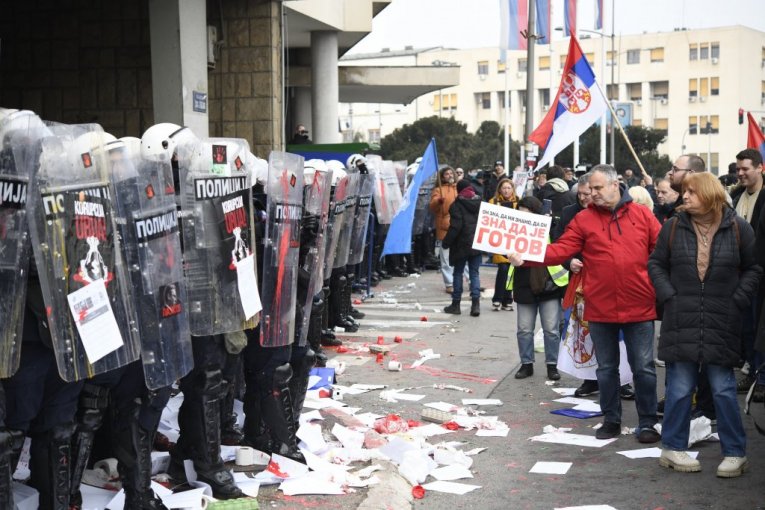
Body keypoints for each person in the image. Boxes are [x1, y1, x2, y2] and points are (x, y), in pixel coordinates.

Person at [508, 164, 661, 443]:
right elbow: (560, 250)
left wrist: (656, 286)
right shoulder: (584, 219)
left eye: (598, 188)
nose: (593, 194)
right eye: (590, 189)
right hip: (600, 307)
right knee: (605, 368)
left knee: (644, 368)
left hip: (639, 306)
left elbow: (660, 253)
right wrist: (526, 256)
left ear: (616, 185)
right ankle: (612, 419)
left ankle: (648, 422)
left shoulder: (642, 215)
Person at [648, 172, 761, 477]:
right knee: (680, 389)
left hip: (721, 318)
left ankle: (735, 453)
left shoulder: (738, 227)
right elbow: (655, 263)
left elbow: (754, 268)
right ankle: (672, 448)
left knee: (723, 388)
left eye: (692, 192)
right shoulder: (673, 226)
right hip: (680, 317)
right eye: (684, 192)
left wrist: (738, 298)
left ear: (710, 195)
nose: (684, 197)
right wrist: (668, 295)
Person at [508, 196, 567, 381]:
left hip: (549, 286)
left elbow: (559, 247)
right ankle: (526, 364)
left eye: (528, 211)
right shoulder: (514, 231)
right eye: (521, 211)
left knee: (551, 329)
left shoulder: (549, 227)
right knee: (524, 329)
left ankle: (552, 366)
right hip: (524, 285)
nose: (524, 215)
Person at [730, 148, 765, 400]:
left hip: (760, 272)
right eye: (738, 169)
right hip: (738, 274)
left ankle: (761, 379)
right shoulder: (735, 196)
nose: (740, 173)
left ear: (760, 168)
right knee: (747, 327)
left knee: (760, 327)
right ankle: (752, 373)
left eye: (745, 169)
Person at [442, 179, 483, 317]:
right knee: (474, 274)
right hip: (477, 243)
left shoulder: (456, 205)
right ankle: (475, 305)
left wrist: (446, 242)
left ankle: (456, 304)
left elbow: (455, 227)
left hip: (460, 244)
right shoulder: (480, 203)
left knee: (458, 273)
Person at [488, 178, 518, 311]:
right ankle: (497, 299)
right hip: (499, 241)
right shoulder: (493, 202)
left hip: (515, 241)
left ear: (513, 189)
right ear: (500, 189)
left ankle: (507, 300)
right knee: (503, 269)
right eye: (504, 188)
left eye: (509, 188)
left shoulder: (519, 202)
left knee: (511, 271)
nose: (506, 190)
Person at [430, 166, 460, 294]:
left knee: (461, 257)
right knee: (446, 259)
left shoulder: (459, 188)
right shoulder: (438, 190)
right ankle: (449, 283)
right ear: (442, 177)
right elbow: (432, 207)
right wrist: (438, 201)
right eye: (446, 174)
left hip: (459, 227)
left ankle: (469, 281)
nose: (449, 175)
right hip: (444, 228)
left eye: (450, 173)